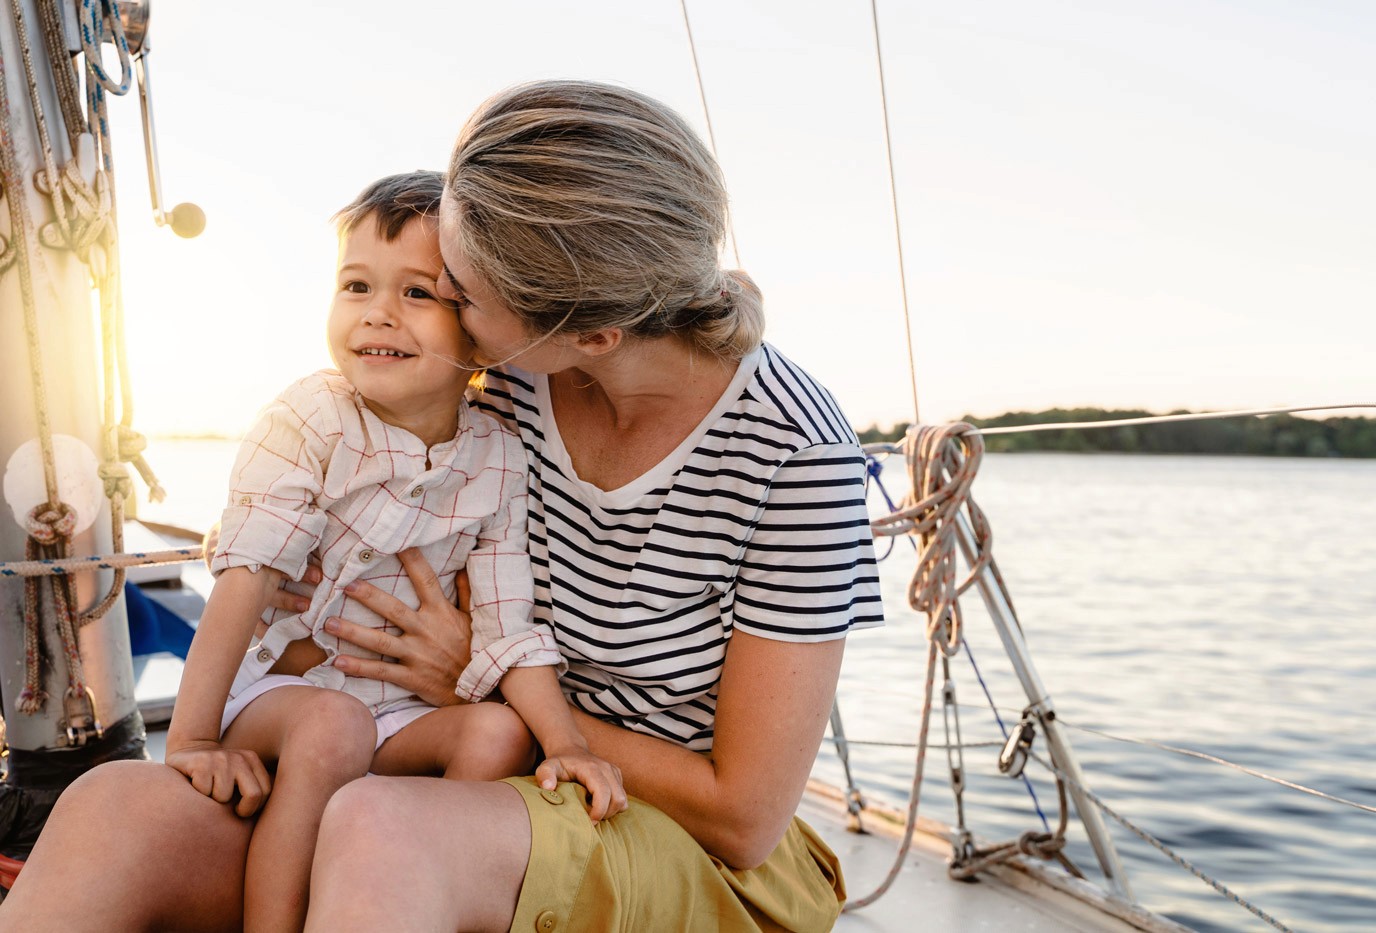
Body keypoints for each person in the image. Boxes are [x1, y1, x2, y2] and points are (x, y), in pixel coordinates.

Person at [0, 80, 880, 933]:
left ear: (588, 336)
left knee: (382, 833)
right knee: (113, 809)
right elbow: (350, 465)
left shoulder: (797, 454)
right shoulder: (505, 382)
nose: (438, 303)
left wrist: (473, 672)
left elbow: (742, 817)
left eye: (457, 290)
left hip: (660, 825)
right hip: (436, 745)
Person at [166, 170, 625, 932]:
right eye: (356, 285)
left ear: (478, 333)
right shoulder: (308, 419)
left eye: (416, 293)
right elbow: (245, 578)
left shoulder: (498, 456)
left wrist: (568, 743)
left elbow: (507, 625)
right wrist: (194, 737)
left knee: (499, 731)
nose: (378, 312)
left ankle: (403, 892)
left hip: (399, 712)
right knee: (331, 727)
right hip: (279, 696)